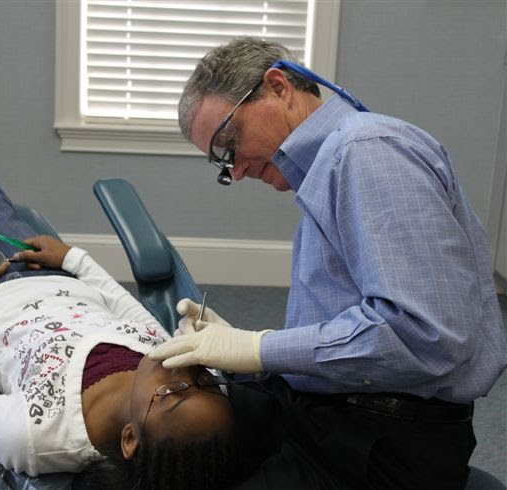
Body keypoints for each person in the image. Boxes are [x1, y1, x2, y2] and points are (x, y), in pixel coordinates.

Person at [149, 36, 507, 489]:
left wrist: (259, 349)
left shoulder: (368, 151)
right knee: (172, 451)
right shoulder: (336, 160)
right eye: (221, 161)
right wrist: (251, 348)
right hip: (337, 408)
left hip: (383, 442)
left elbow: (423, 334)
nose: (235, 170)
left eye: (229, 142)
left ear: (278, 87)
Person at [0, 111, 242, 490]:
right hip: (49, 276)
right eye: (207, 380)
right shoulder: (166, 362)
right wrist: (73, 259)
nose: (186, 370)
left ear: (130, 438)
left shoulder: (37, 436)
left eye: (175, 393)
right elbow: (127, 308)